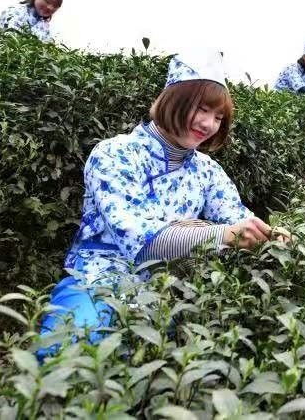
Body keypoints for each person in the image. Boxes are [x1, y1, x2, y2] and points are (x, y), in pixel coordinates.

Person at [38, 48, 289, 355]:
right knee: (70, 350)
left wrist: (270, 234)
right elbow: (142, 243)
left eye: (219, 117)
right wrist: (222, 235)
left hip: (168, 289)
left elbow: (236, 217)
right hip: (99, 280)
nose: (209, 124)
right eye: (202, 110)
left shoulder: (206, 170)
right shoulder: (115, 154)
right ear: (175, 101)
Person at [0, 0, 64, 43]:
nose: (50, 7)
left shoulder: (45, 26)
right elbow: (10, 41)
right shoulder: (15, 12)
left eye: (55, 5)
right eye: (48, 1)